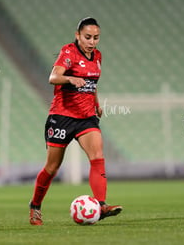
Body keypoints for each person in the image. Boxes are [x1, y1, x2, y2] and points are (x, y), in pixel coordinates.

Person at [29, 17, 122, 225]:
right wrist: (70, 78)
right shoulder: (68, 52)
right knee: (52, 167)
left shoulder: (97, 56)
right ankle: (35, 206)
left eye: (96, 38)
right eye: (87, 37)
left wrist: (97, 104)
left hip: (86, 116)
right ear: (77, 35)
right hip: (62, 116)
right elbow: (53, 77)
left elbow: (92, 83)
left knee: (98, 155)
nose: (92, 42)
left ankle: (101, 204)